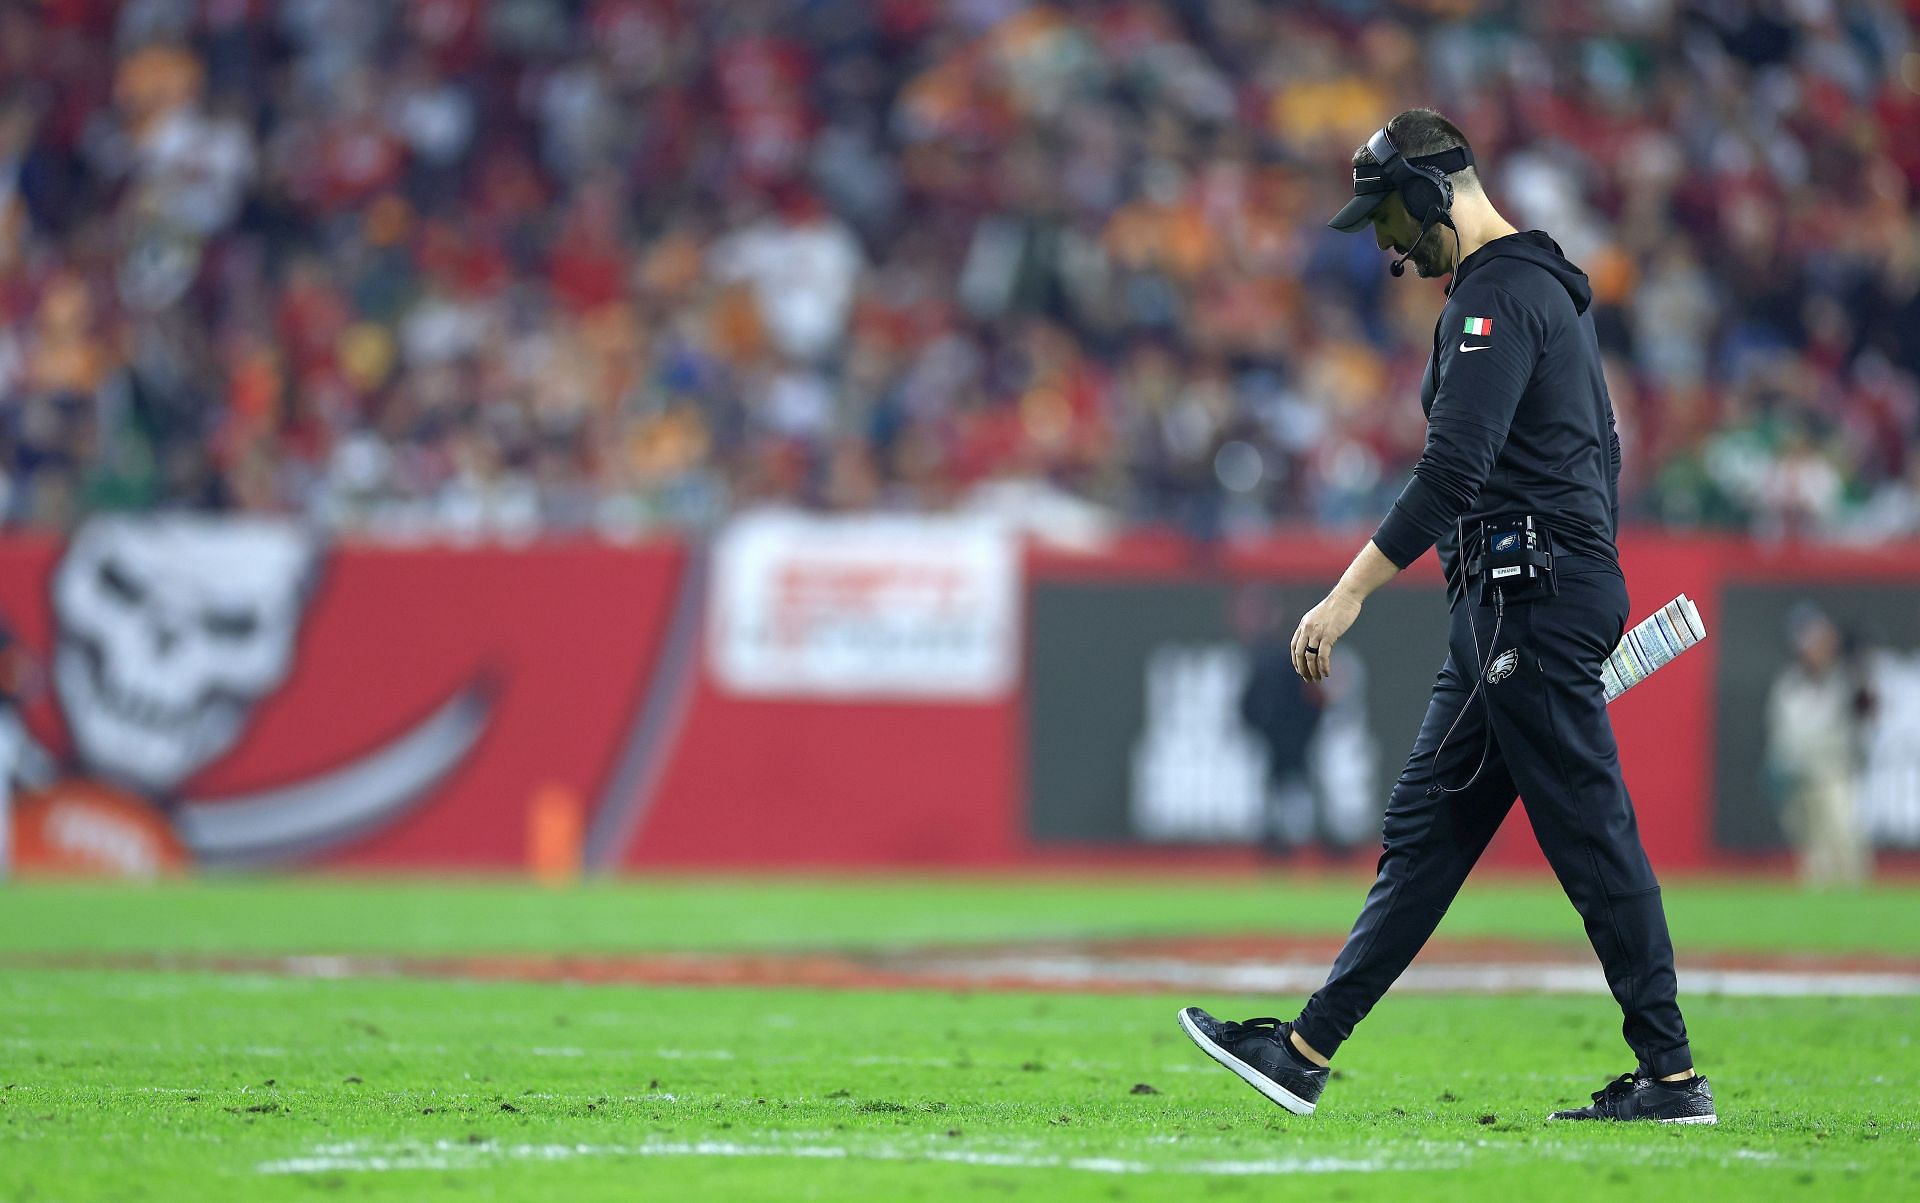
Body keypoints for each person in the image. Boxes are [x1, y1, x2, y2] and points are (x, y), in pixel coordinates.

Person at [1177, 109, 1715, 1125]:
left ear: (1431, 194)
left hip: (1528, 597)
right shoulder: (1525, 291)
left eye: (1387, 217)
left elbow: (1453, 471)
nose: (1384, 247)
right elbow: (1593, 456)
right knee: (1426, 829)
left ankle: (1675, 1074)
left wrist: (1345, 597)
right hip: (1512, 597)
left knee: (1590, 833)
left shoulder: (1499, 297)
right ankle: (1302, 1050)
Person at [1765, 605, 1874, 887]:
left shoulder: (1845, 681)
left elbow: (1867, 708)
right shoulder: (1789, 685)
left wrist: (1860, 671)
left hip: (1834, 774)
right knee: (1812, 853)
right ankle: (1817, 916)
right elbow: (1780, 735)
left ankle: (1856, 905)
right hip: (1798, 777)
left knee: (1844, 839)